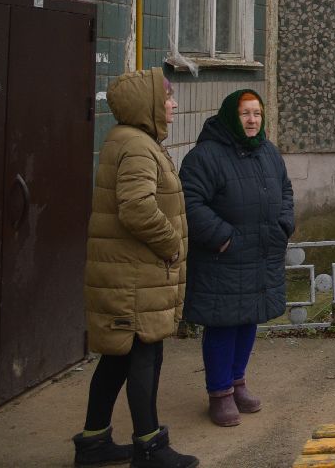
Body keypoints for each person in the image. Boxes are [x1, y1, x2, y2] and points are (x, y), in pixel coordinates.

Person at [76, 70, 198, 468]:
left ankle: (93, 443)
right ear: (147, 104)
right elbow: (137, 207)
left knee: (118, 358)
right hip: (134, 277)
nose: (173, 104)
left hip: (128, 274)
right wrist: (170, 245)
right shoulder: (138, 147)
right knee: (146, 353)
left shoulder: (131, 141)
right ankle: (150, 447)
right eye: (167, 98)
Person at [180, 89, 294, 428]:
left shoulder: (268, 153)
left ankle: (238, 382)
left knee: (248, 319)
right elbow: (189, 202)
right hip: (224, 258)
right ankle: (219, 393)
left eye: (257, 113)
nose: (252, 120)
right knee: (223, 322)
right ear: (232, 115)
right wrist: (223, 238)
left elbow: (286, 191)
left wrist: (284, 225)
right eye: (246, 113)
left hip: (260, 252)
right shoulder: (205, 156)